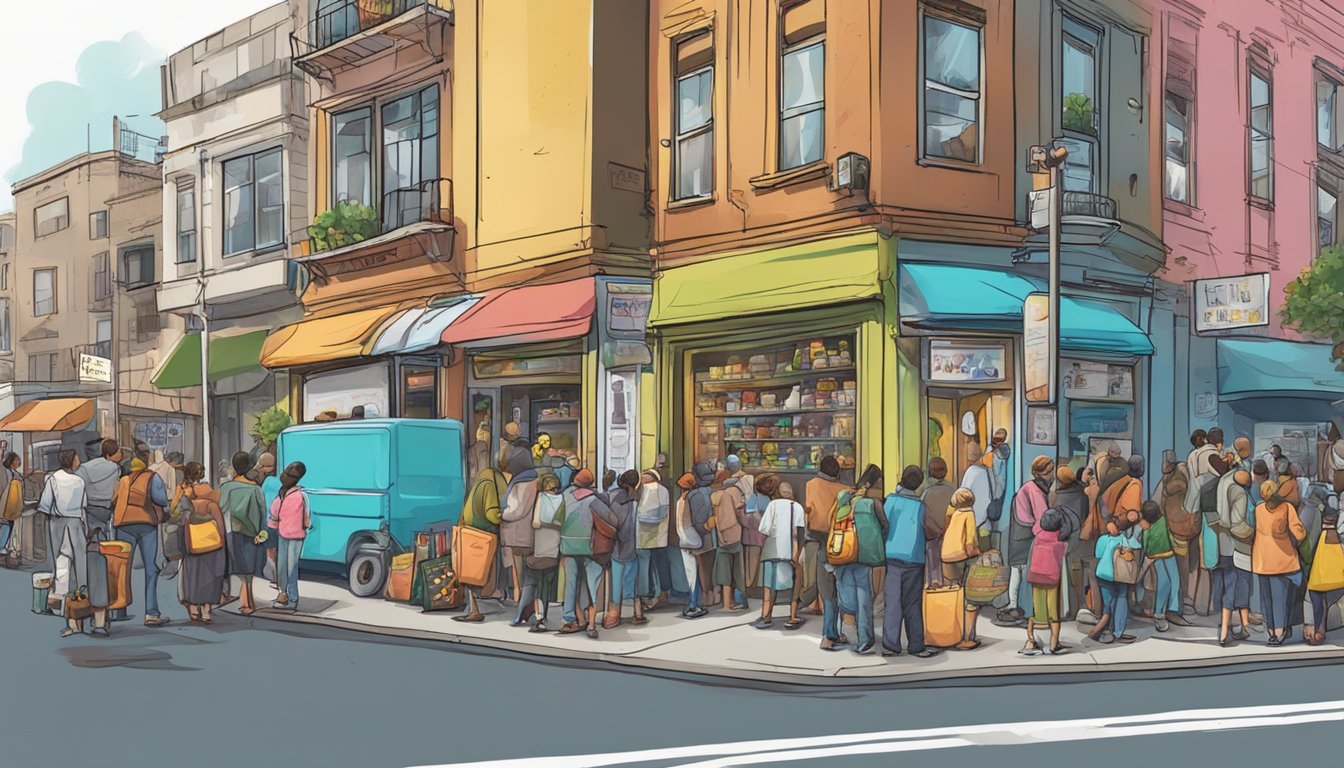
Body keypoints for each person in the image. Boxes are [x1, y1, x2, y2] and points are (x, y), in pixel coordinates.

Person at [42, 450, 103, 638]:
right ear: (72, 461)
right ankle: (81, 612)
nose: (79, 461)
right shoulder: (79, 481)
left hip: (58, 523)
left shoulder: (53, 479)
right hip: (77, 524)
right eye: (77, 458)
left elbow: (45, 504)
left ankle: (66, 615)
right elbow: (83, 506)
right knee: (81, 568)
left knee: (62, 567)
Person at [882, 465, 939, 658]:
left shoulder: (890, 501)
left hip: (892, 556)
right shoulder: (921, 506)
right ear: (919, 484)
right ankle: (916, 645)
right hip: (914, 559)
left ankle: (891, 645)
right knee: (913, 604)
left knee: (892, 603)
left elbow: (883, 526)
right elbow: (930, 531)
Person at [108, 456, 172, 626]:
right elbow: (162, 499)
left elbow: (113, 501)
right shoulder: (152, 477)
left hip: (123, 524)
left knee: (122, 568)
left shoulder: (123, 480)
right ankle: (151, 613)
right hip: (146, 523)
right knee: (151, 568)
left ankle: (119, 609)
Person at [831, 464, 886, 654]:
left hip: (842, 554)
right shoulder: (873, 504)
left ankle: (847, 633)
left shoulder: (844, 499)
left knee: (846, 597)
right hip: (864, 556)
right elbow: (885, 526)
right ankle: (864, 641)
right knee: (864, 598)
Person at [558, 469, 616, 638]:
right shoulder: (592, 499)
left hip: (567, 544)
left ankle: (569, 619)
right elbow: (612, 520)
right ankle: (591, 623)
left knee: (571, 584)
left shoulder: (565, 496)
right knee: (592, 584)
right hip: (589, 547)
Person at [1252, 479, 1306, 646]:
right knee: (1280, 598)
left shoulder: (1258, 509)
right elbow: (1299, 533)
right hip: (1282, 559)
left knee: (1266, 598)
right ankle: (1280, 632)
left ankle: (1271, 632)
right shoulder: (1287, 508)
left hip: (1261, 559)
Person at [803, 456, 849, 648]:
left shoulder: (811, 484)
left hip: (821, 544)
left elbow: (809, 510)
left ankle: (828, 636)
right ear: (838, 472)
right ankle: (845, 632)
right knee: (843, 591)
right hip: (842, 545)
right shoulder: (845, 491)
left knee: (828, 594)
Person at [1002, 456, 1054, 626]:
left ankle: (1013, 605)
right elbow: (1042, 518)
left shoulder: (1028, 487)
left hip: (1019, 534)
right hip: (1027, 536)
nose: (1051, 476)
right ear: (1043, 473)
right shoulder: (1035, 490)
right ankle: (1024, 608)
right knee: (1024, 572)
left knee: (1016, 571)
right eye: (1049, 472)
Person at [177, 462, 227, 624]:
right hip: (212, 542)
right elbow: (220, 524)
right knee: (210, 576)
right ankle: (206, 609)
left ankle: (193, 608)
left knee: (192, 575)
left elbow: (181, 520)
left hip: (192, 540)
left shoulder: (186, 497)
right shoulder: (211, 498)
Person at [753, 474, 803, 630]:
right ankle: (792, 616)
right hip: (789, 551)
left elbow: (763, 528)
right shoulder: (798, 507)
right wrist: (795, 553)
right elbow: (797, 533)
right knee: (793, 583)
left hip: (771, 549)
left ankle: (766, 615)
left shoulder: (773, 505)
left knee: (769, 585)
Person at [219, 452, 267, 616]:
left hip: (230, 531)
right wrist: (261, 535)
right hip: (251, 533)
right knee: (248, 571)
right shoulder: (256, 489)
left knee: (230, 565)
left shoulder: (226, 487)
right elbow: (263, 514)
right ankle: (248, 603)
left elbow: (221, 508)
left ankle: (225, 595)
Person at [457, 467, 506, 623]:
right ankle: (477, 608)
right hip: (484, 534)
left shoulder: (477, 486)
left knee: (470, 570)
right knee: (482, 570)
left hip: (469, 532)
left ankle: (473, 607)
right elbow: (491, 514)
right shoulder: (489, 486)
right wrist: (502, 516)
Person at [1213, 468, 1256, 644]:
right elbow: (1240, 522)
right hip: (1237, 546)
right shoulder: (1241, 495)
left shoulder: (1223, 487)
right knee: (1236, 585)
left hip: (1221, 545)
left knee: (1229, 586)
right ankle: (1225, 631)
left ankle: (1241, 626)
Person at [1021, 505, 1071, 656]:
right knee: (1053, 612)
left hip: (1036, 576)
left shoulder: (1038, 537)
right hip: (1052, 579)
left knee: (1038, 610)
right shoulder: (1060, 542)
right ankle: (1054, 644)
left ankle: (1031, 642)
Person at [1153, 450, 1195, 624]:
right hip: (1176, 524)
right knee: (1177, 569)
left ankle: (1179, 604)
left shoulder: (1178, 474)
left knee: (1180, 568)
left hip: (1179, 525)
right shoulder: (1172, 476)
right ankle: (1177, 605)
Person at [500, 448, 540, 620]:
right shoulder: (530, 479)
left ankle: (521, 601)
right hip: (522, 532)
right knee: (520, 570)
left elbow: (518, 509)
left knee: (519, 570)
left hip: (518, 532)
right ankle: (522, 601)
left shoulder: (523, 483)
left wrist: (502, 514)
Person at [941, 487, 983, 650]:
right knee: (970, 599)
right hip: (962, 558)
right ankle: (967, 637)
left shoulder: (954, 514)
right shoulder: (969, 514)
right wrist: (981, 552)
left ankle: (951, 633)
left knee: (953, 595)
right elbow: (970, 542)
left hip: (946, 556)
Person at [523, 473, 564, 632]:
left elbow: (535, 522)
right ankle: (543, 613)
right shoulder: (562, 500)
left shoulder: (540, 497)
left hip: (540, 547)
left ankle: (539, 616)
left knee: (539, 584)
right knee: (547, 583)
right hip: (554, 548)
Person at [1090, 516, 1141, 644]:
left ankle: (1106, 630)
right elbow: (1137, 545)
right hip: (1121, 576)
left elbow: (1098, 554)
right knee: (1121, 599)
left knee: (1108, 602)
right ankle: (1117, 632)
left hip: (1104, 574)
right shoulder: (1125, 539)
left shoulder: (1103, 539)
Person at [267, 462, 310, 611]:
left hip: (295, 536)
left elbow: (307, 516)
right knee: (282, 566)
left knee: (291, 567)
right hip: (282, 533)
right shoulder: (282, 493)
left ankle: (292, 598)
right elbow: (275, 513)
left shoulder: (300, 495)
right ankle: (283, 594)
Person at [605, 470, 644, 628]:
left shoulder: (612, 496)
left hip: (615, 544)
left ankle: (614, 615)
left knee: (616, 580)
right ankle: (637, 611)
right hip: (632, 544)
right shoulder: (635, 499)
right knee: (632, 579)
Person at [1305, 496, 1344, 646]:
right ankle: (1319, 628)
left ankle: (1318, 628)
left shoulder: (1320, 537)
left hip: (1320, 579)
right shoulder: (1337, 538)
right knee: (1324, 602)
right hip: (1338, 579)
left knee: (1317, 599)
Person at [680, 462, 716, 619]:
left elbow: (698, 520)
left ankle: (703, 598)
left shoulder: (693, 496)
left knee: (700, 567)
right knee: (709, 567)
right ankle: (710, 597)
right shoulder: (712, 491)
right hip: (713, 535)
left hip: (700, 536)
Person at [713, 460, 750, 612]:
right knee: (737, 571)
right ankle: (735, 601)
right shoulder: (734, 493)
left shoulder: (714, 495)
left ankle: (727, 603)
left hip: (721, 536)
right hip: (734, 534)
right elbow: (740, 514)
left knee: (724, 570)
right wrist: (746, 524)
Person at [1139, 500, 1179, 633]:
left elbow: (1147, 548)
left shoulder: (1148, 528)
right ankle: (1168, 610)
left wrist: (1145, 531)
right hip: (1169, 554)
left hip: (1156, 557)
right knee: (1172, 582)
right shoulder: (1164, 520)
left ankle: (1159, 612)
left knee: (1164, 583)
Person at [636, 469, 672, 612]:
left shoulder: (640, 490)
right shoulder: (663, 490)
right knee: (659, 564)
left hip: (642, 535)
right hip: (659, 535)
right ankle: (660, 592)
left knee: (644, 566)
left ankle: (645, 595)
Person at [76, 439, 123, 543]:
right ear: (109, 454)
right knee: (108, 533)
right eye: (118, 451)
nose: (121, 454)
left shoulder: (86, 467)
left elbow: (78, 481)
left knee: (88, 535)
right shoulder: (116, 469)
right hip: (107, 507)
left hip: (90, 506)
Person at [920, 458, 954, 587]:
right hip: (948, 534)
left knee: (932, 568)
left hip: (931, 534)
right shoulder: (953, 489)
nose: (939, 472)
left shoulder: (923, 491)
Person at [959, 445, 993, 534]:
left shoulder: (972, 472)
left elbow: (962, 496)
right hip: (985, 526)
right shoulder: (990, 474)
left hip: (972, 526)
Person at [0, 452, 21, 554]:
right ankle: (1, 546)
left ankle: (5, 545)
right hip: (4, 502)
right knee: (5, 524)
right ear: (10, 461)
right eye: (15, 460)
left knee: (9, 523)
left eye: (18, 460)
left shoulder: (16, 474)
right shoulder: (4, 473)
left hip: (12, 503)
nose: (17, 462)